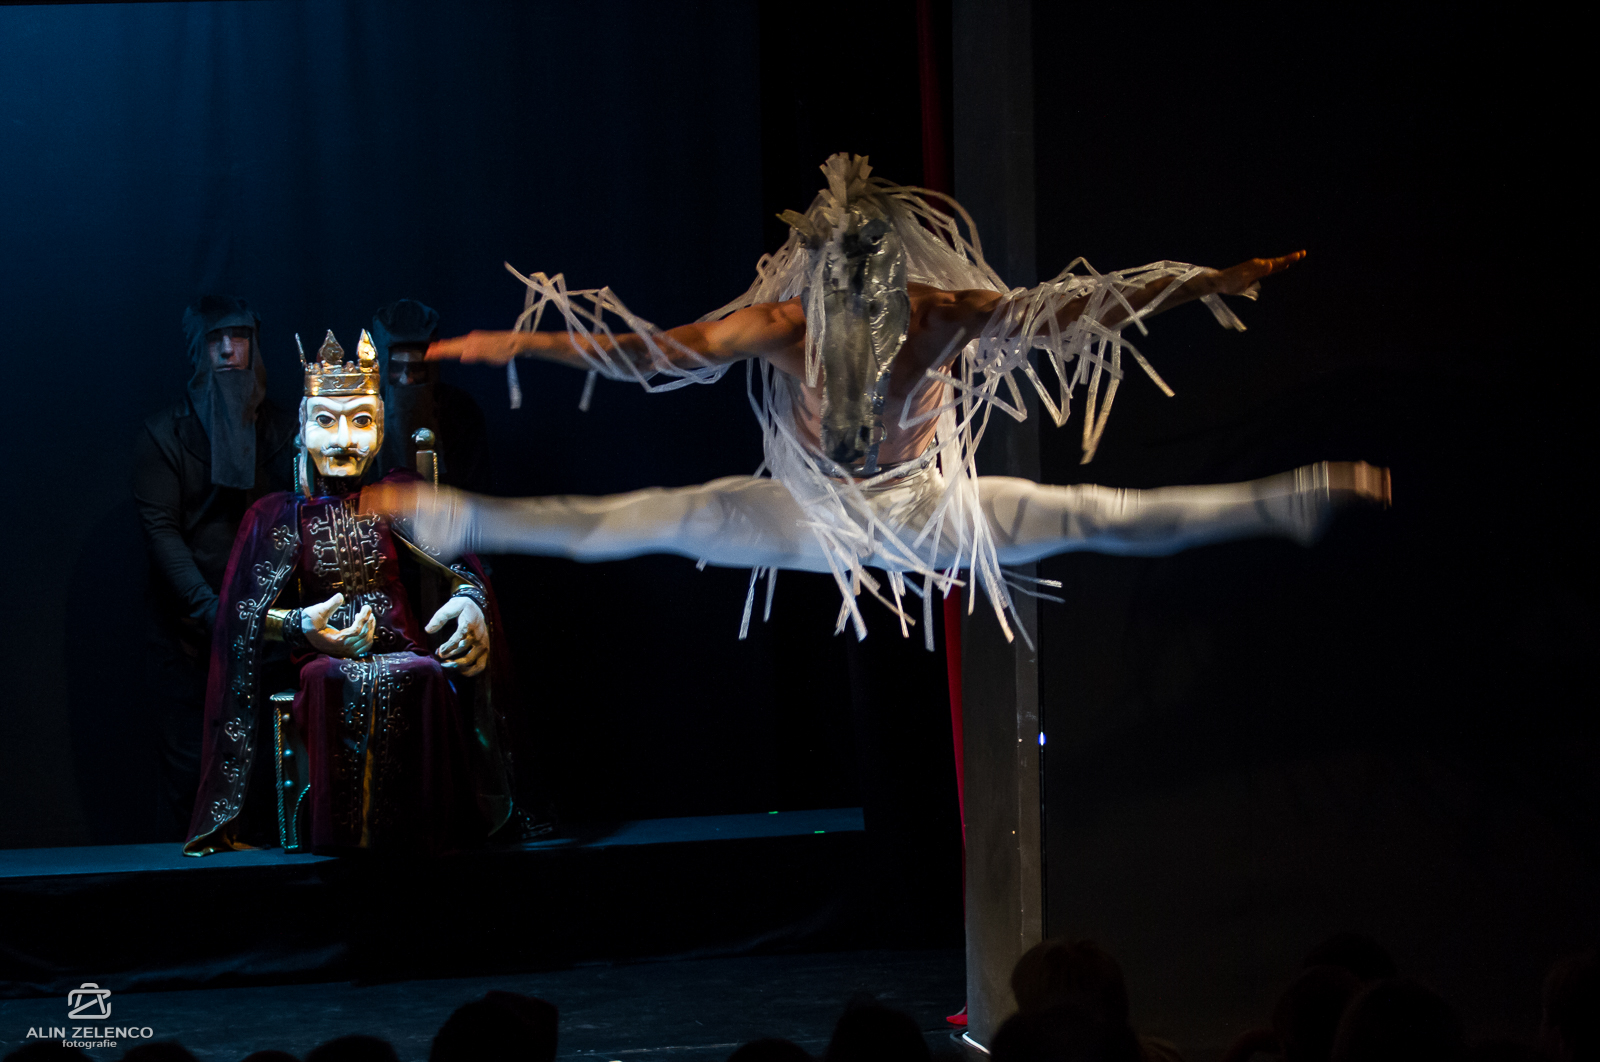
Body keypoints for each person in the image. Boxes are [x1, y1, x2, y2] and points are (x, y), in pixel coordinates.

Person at [374, 154, 1388, 642]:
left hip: (922, 509)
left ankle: (1282, 504)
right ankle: (464, 517)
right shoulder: (784, 325)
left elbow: (1081, 310)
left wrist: (1207, 283)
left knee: (1090, 514)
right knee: (650, 518)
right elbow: (653, 356)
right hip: (809, 513)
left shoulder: (946, 315)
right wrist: (528, 341)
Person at [184, 330, 515, 855]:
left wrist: (472, 603)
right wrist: (301, 627)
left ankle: (430, 839)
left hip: (407, 651)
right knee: (330, 679)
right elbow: (239, 619)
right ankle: (343, 844)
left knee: (427, 674)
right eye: (326, 421)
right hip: (323, 663)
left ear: (381, 428)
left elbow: (466, 570)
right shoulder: (276, 515)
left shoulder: (401, 498)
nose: (342, 440)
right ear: (302, 427)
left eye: (360, 421)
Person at [134, 295, 298, 838]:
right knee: (192, 782)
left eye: (239, 337)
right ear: (197, 349)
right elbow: (163, 534)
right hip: (190, 643)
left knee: (272, 784)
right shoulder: (164, 435)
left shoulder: (287, 431)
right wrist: (217, 614)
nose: (229, 350)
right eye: (215, 340)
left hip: (271, 644)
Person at [370, 298, 491, 492]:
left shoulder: (460, 411)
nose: (407, 379)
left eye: (416, 368)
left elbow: (475, 488)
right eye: (397, 368)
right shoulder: (360, 414)